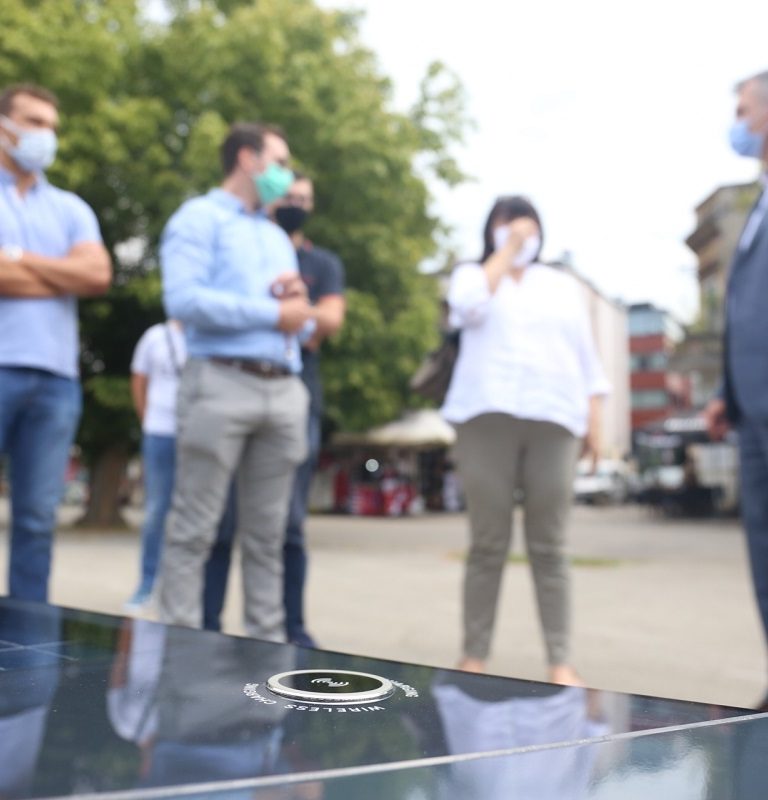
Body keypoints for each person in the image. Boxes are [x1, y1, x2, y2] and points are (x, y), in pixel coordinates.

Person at [441, 195, 609, 686]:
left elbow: (586, 356)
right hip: (484, 416)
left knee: (550, 543)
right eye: (507, 223)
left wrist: (593, 418)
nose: (518, 232)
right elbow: (466, 307)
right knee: (487, 542)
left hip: (553, 418)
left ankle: (560, 659)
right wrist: (507, 249)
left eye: (526, 225)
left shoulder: (561, 286)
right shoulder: (472, 275)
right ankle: (474, 654)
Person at [157, 122, 314, 640]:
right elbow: (184, 300)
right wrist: (273, 314)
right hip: (221, 380)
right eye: (280, 161)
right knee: (194, 529)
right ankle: (178, 648)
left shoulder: (276, 236)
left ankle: (265, 651)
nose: (287, 174)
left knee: (270, 536)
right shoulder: (198, 218)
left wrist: (295, 304)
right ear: (249, 159)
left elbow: (299, 324)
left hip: (283, 387)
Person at [202, 174, 346, 643]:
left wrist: (285, 315)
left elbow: (328, 323)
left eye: (305, 198)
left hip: (294, 394)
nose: (297, 203)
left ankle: (292, 628)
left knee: (288, 523)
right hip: (236, 384)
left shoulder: (322, 262)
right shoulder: (241, 246)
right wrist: (286, 317)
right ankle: (205, 628)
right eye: (290, 196)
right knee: (221, 519)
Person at [0, 83, 111, 602]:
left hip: (56, 381)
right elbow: (76, 274)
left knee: (37, 518)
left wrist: (19, 258)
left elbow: (96, 275)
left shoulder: (71, 208)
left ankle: (25, 637)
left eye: (52, 126)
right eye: (35, 122)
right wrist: (62, 273)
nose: (46, 135)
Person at [704, 69, 768, 710]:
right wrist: (726, 388)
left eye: (744, 110)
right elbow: (747, 309)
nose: (738, 123)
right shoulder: (757, 205)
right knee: (762, 548)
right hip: (751, 408)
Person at [125, 320, 236, 614]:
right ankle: (148, 583)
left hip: (199, 431)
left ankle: (187, 590)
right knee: (156, 511)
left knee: (198, 511)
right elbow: (139, 379)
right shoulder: (154, 336)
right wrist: (148, 420)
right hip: (160, 432)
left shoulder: (210, 332)